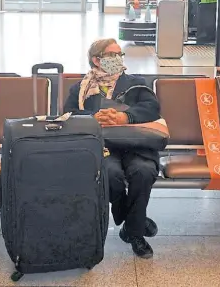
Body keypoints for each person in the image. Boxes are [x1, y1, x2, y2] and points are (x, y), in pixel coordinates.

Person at [64, 38, 160, 259]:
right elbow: (68, 116)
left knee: (143, 171)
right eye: (112, 56)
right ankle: (134, 221)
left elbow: (152, 109)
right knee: (110, 173)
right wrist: (93, 117)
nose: (118, 60)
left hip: (136, 143)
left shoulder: (136, 82)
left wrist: (124, 116)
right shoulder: (81, 89)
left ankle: (133, 233)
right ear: (97, 60)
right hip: (102, 146)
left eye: (120, 55)